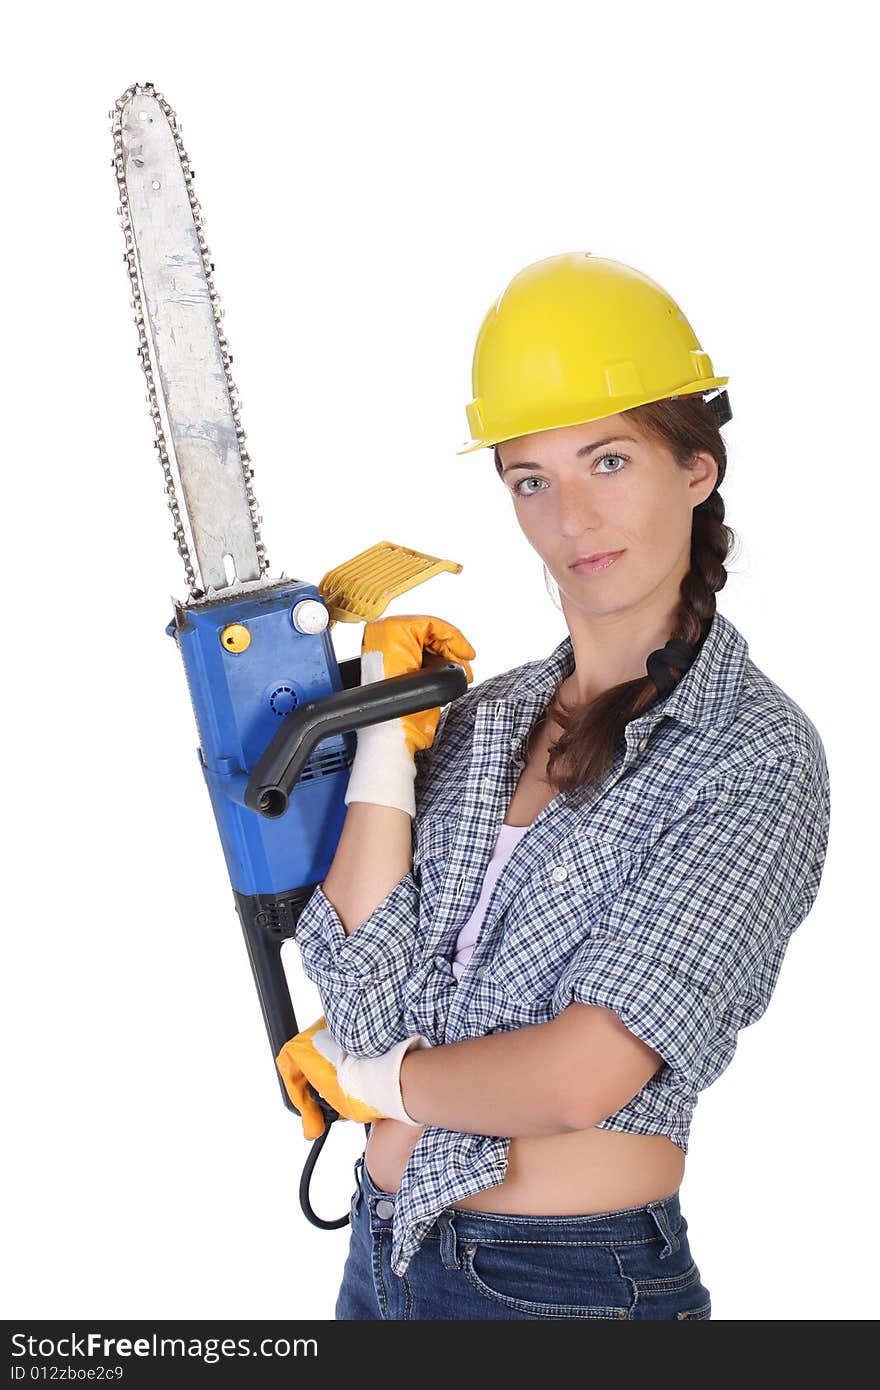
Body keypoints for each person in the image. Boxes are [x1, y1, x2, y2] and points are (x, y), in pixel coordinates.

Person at [277, 252, 832, 1319]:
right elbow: (357, 991)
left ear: (696, 469)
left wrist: (377, 1080)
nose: (570, 516)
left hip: (565, 1284)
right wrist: (388, 728)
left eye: (609, 461)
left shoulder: (753, 755)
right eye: (531, 478)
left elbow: (582, 1076)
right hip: (384, 1252)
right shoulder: (484, 720)